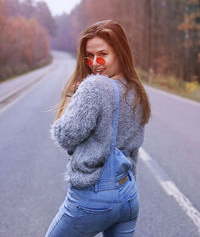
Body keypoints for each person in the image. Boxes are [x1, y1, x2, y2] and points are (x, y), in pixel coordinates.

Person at [45, 19, 151, 237]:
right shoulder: (136, 90)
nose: (95, 63)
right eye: (90, 56)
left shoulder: (94, 86)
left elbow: (65, 135)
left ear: (120, 53)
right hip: (129, 196)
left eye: (103, 54)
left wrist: (75, 98)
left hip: (93, 197)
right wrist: (124, 195)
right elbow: (133, 150)